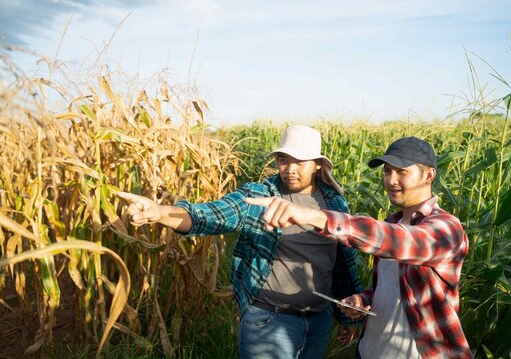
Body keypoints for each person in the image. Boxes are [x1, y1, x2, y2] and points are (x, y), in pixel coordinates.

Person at [117, 125, 363, 359]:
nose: (290, 169)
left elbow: (343, 263)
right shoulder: (260, 196)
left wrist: (349, 318)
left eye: (300, 162)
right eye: (283, 160)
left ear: (317, 165)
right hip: (269, 320)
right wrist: (160, 212)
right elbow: (211, 215)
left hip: (320, 320)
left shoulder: (334, 204)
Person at [247, 136, 472, 358]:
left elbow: (400, 240)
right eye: (387, 171)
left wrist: (314, 217)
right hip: (370, 350)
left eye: (401, 172)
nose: (391, 180)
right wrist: (363, 300)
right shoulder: (392, 222)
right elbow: (392, 288)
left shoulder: (446, 229)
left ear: (428, 175)